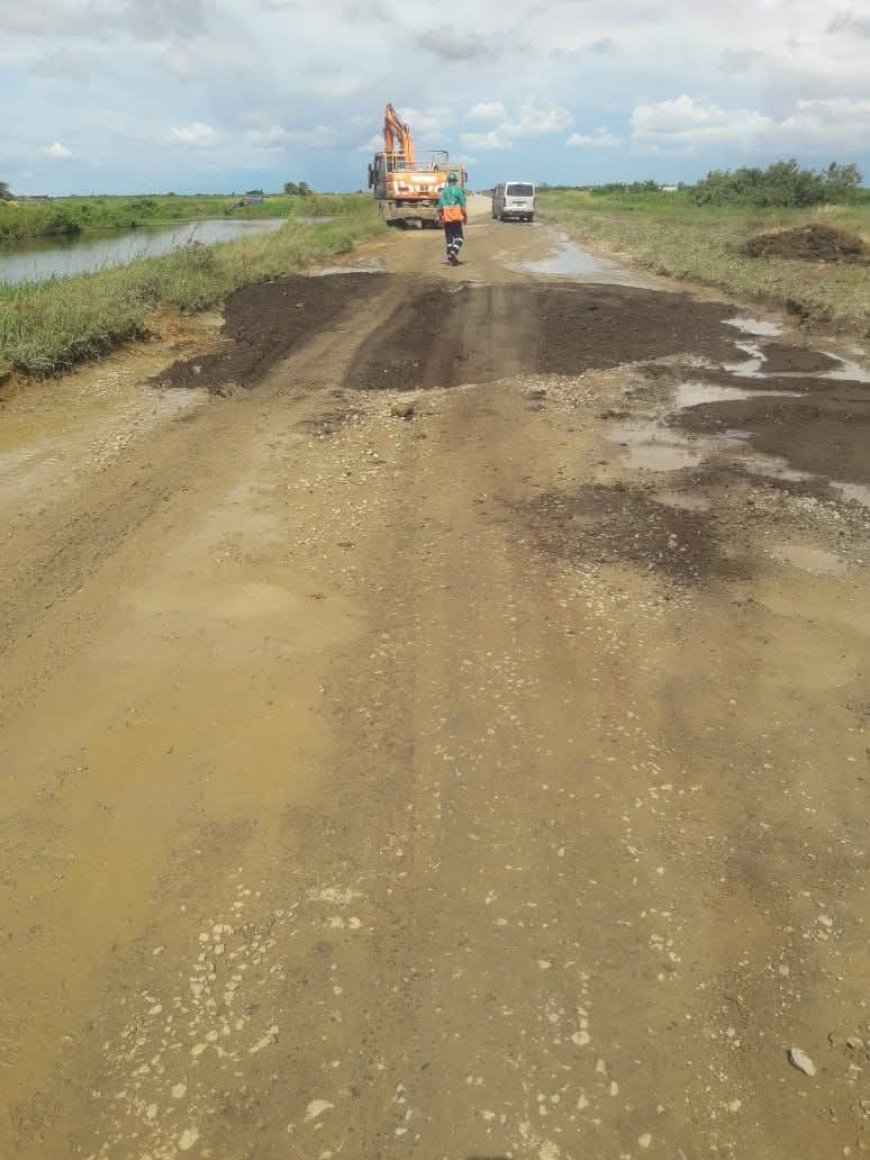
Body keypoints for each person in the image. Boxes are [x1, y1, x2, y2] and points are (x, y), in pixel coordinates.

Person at [437, 172, 467, 266]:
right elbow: (462, 206)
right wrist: (465, 216)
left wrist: (440, 218)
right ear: (455, 181)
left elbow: (440, 207)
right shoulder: (459, 191)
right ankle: (454, 252)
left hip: (447, 217)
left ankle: (451, 258)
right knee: (460, 238)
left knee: (449, 238)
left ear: (448, 181)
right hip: (456, 217)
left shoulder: (444, 192)